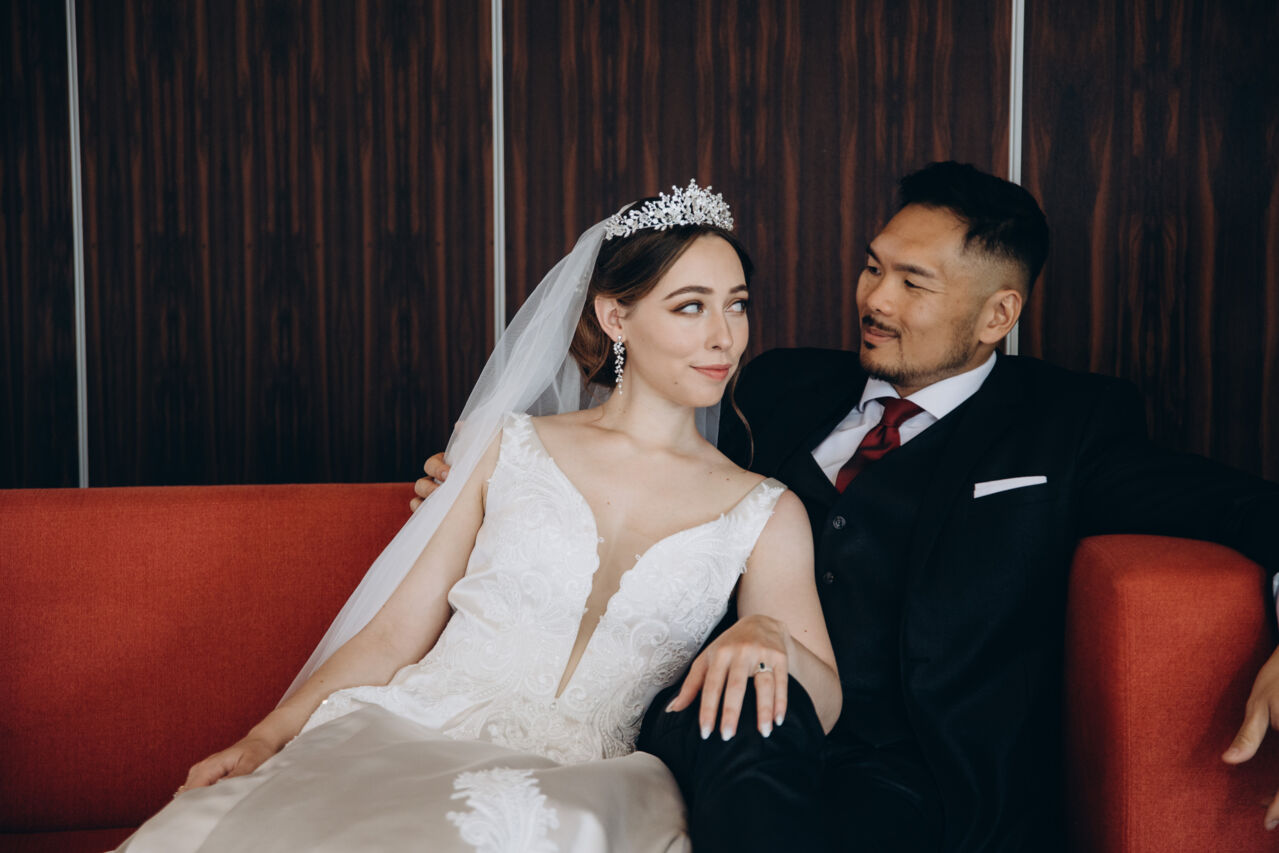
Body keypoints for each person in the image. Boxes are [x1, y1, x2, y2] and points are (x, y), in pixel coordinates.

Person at [417, 162, 1279, 851]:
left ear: (997, 314)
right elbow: (649, 473)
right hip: (725, 723)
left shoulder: (1067, 424)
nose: (874, 299)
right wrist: (494, 499)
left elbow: (1245, 505)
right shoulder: (779, 384)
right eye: (873, 266)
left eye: (913, 283)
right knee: (749, 702)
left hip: (918, 775)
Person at [115, 181, 840, 853]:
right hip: (417, 732)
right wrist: (265, 737)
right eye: (690, 306)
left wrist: (770, 634)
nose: (724, 337)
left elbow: (827, 700)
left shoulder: (765, 509)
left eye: (736, 304)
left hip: (592, 778)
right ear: (614, 316)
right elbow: (395, 633)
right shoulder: (509, 446)